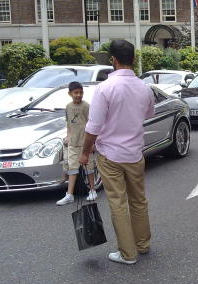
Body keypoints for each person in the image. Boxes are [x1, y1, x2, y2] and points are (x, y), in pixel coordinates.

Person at [79, 40, 156, 265]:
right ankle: (142, 245)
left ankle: (127, 253)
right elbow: (149, 114)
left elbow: (93, 128)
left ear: (112, 60)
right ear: (133, 59)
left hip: (110, 154)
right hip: (135, 153)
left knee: (118, 203)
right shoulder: (144, 88)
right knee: (139, 201)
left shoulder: (105, 88)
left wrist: (84, 152)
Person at [56, 81, 97, 206]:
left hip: (85, 143)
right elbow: (69, 124)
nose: (78, 95)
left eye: (81, 92)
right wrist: (68, 137)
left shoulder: (86, 106)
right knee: (72, 168)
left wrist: (93, 142)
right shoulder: (68, 107)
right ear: (70, 94)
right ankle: (69, 194)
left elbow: (92, 124)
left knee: (89, 167)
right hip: (73, 143)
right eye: (76, 92)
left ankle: (92, 190)